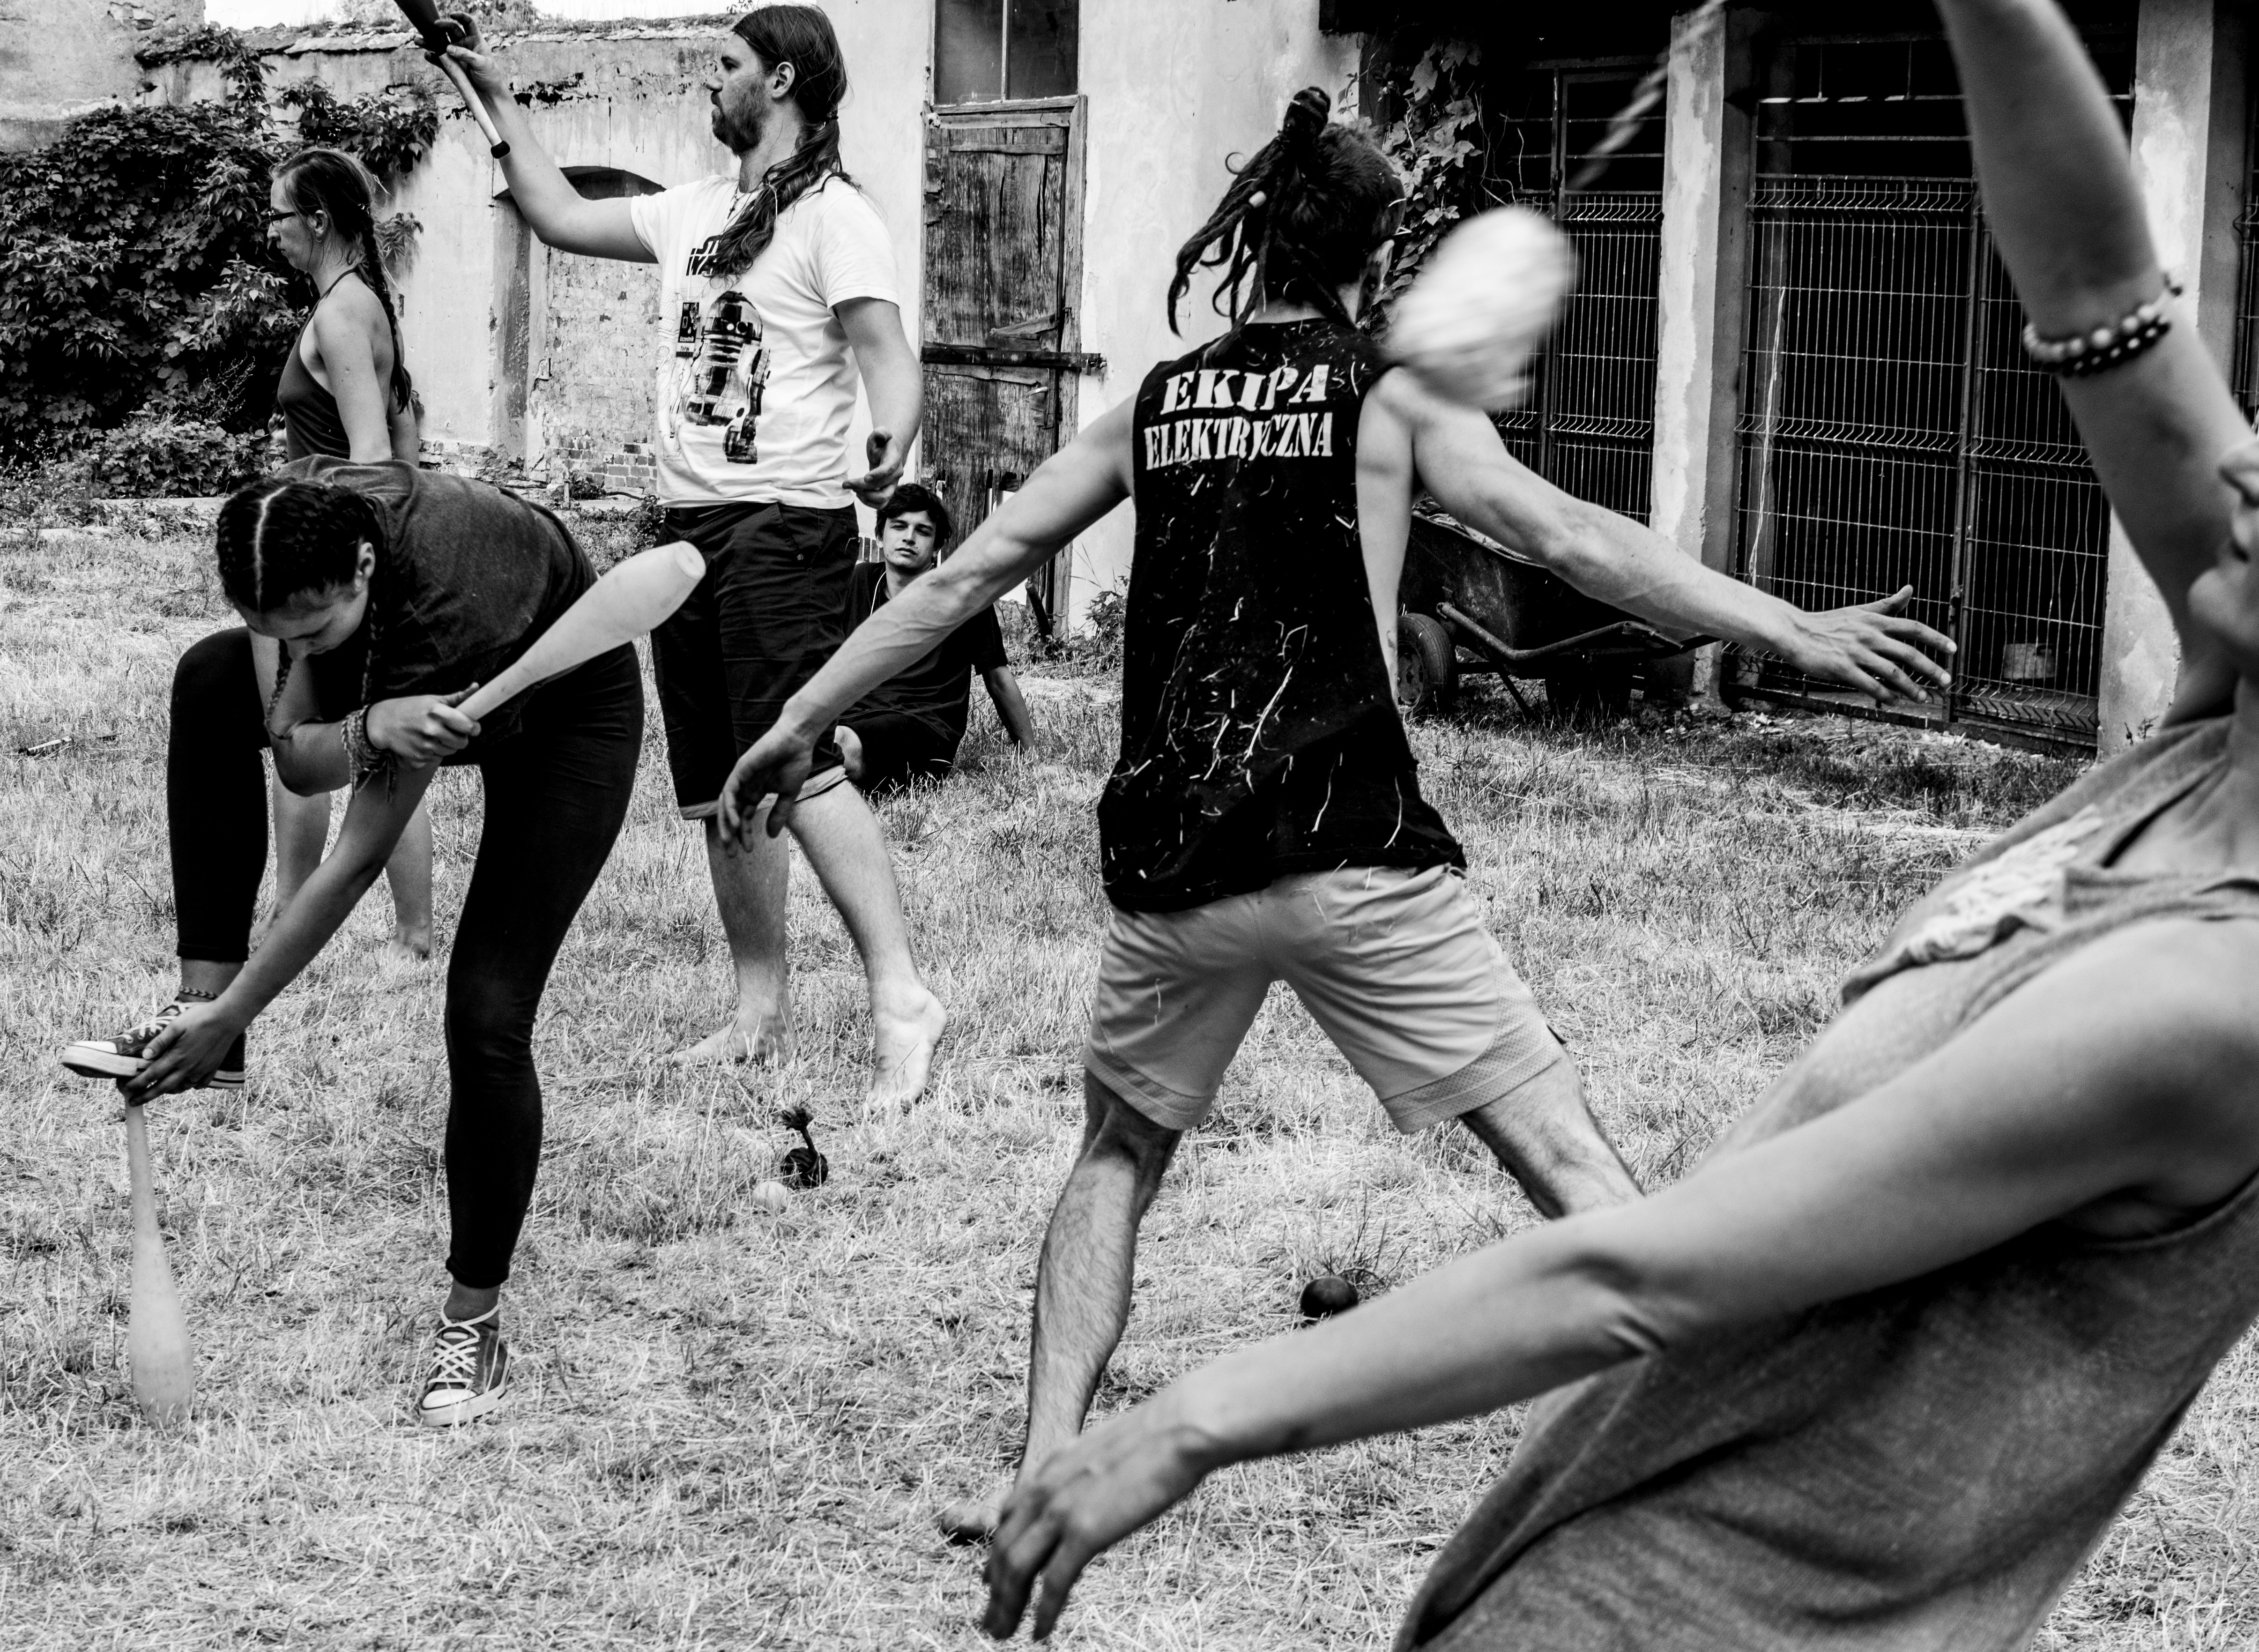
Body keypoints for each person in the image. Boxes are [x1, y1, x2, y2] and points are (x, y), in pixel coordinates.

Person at [955, 7, 2259, 1644]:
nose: (2239, 459)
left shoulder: (2209, 998)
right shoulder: (2213, 749)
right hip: (1588, 1552)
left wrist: (1193, 1417)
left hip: (1730, 1604)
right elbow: (2097, 287)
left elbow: (1630, 1276)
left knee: (1535, 1171)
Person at [714, 88, 1961, 1550]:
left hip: (1178, 865)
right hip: (1349, 845)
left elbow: (952, 580)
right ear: (1375, 261)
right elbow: (1569, 537)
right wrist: (1788, 629)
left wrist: (796, 717)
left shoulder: (1156, 404)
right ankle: (1739, 1463)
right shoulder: (1387, 396)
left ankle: (1038, 1473)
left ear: (1244, 247)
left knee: (1113, 1158)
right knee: (1565, 1163)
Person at [60, 460, 644, 1429]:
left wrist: (249, 997)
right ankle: (201, 1015)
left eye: (315, 631)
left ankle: (475, 1322)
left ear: (365, 566)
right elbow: (295, 752)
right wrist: (364, 717)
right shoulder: (286, 528)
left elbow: (359, 850)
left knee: (488, 1007)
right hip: (408, 673)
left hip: (563, 708)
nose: (293, 649)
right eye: (275, 630)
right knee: (210, 675)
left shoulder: (446, 601)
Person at [432, 6, 945, 1104]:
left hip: (783, 519)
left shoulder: (835, 217)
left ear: (785, 79)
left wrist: (890, 439)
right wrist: (494, 96)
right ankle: (756, 1005)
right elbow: (557, 211)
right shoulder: (697, 211)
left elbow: (886, 355)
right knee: (723, 787)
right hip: (689, 527)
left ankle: (902, 994)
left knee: (792, 765)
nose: (708, 86)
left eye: (726, 67)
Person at [264, 146, 436, 968]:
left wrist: (337, 569)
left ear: (319, 221)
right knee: (379, 742)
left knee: (294, 730)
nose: (273, 232)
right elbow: (408, 441)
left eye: (280, 216)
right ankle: (406, 935)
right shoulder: (369, 303)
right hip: (345, 547)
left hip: (324, 553)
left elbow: (372, 457)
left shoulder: (340, 312)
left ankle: (295, 921)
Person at [835, 483, 1035, 794]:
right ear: (880, 534)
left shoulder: (963, 596)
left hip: (925, 726)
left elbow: (998, 678)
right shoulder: (859, 583)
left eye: (923, 531)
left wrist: (1029, 753)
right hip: (853, 716)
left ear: (938, 545)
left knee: (838, 746)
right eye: (899, 526)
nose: (908, 538)